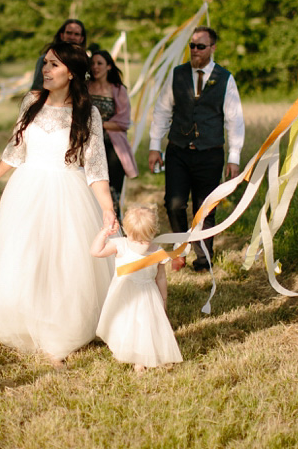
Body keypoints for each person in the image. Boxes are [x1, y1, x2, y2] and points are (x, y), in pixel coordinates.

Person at [0, 41, 117, 365]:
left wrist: (108, 209)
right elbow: (15, 151)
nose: (46, 69)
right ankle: (27, 323)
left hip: (67, 192)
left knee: (62, 265)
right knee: (23, 258)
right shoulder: (31, 101)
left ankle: (57, 338)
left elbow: (96, 169)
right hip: (26, 190)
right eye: (45, 63)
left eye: (54, 64)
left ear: (70, 72)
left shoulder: (88, 113)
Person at [147, 25, 245, 272]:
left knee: (205, 206)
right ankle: (179, 250)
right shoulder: (177, 74)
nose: (195, 50)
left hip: (210, 152)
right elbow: (162, 110)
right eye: (192, 45)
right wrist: (154, 146)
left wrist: (234, 156)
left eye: (200, 46)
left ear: (212, 48)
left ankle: (204, 258)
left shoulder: (225, 79)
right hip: (178, 149)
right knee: (173, 203)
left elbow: (234, 119)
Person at [90, 205, 182, 372]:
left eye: (144, 240)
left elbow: (160, 277)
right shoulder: (121, 245)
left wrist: (164, 299)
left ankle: (140, 359)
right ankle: (125, 349)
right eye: (135, 239)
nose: (140, 244)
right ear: (127, 232)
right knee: (124, 324)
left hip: (147, 295)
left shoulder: (157, 251)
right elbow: (96, 251)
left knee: (144, 326)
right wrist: (104, 232)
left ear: (153, 233)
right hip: (125, 295)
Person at [87, 50, 138, 222]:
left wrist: (98, 124)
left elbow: (123, 122)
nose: (95, 67)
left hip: (113, 147)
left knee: (112, 191)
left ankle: (115, 228)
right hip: (88, 147)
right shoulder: (84, 87)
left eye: (99, 63)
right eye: (93, 63)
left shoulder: (118, 90)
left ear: (109, 66)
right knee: (89, 190)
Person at [31, 19, 87, 90]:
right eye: (69, 33)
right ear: (62, 35)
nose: (72, 37)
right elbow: (37, 87)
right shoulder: (46, 59)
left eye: (76, 34)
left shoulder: (86, 61)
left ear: (81, 39)